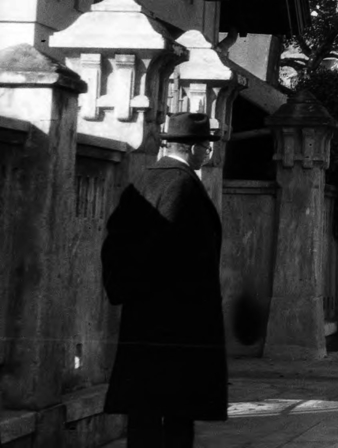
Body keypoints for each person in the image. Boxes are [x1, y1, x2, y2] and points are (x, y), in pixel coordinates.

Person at [101, 112, 227, 448]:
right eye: (206, 146)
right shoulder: (182, 185)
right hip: (176, 322)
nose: (208, 153)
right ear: (196, 147)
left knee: (144, 411)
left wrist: (126, 289)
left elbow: (115, 243)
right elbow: (173, 253)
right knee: (176, 414)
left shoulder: (144, 180)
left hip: (144, 318)